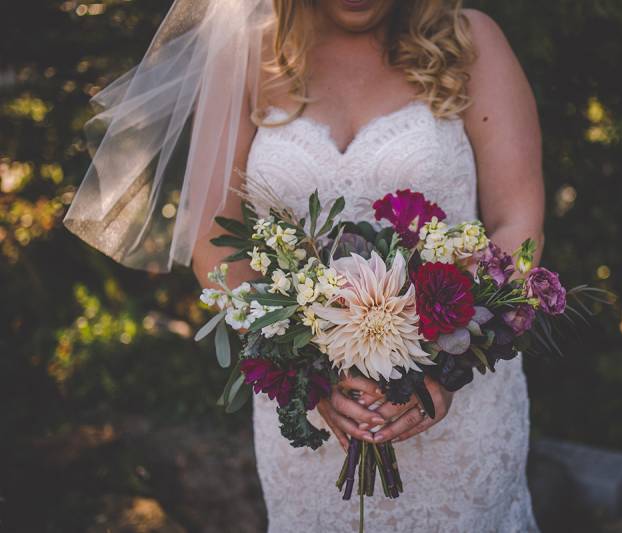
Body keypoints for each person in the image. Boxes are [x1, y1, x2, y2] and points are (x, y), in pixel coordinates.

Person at [67, 0, 545, 530]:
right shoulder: (243, 58)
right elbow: (214, 242)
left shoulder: (468, 42)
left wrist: (450, 368)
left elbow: (518, 221)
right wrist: (305, 375)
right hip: (313, 419)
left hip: (459, 411)